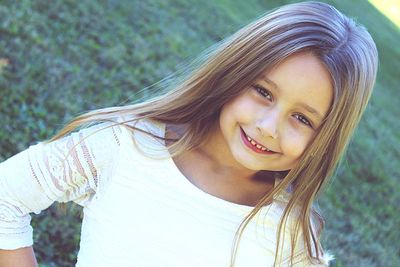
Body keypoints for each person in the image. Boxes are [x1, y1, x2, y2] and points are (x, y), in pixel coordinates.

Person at [0, 1, 378, 266]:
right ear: (233, 73)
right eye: (263, 92)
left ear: (324, 139)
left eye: (302, 119)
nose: (268, 126)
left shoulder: (290, 235)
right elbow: (7, 197)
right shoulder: (127, 146)